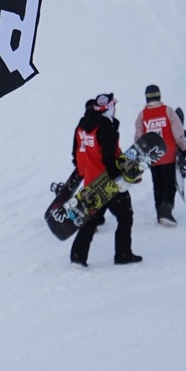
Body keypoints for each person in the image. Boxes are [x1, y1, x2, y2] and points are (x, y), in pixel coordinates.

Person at [69, 93, 141, 266]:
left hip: (91, 182)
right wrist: (122, 177)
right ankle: (123, 254)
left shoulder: (81, 127)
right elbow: (109, 158)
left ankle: (78, 256)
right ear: (108, 108)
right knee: (125, 216)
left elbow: (75, 153)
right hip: (108, 182)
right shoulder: (106, 127)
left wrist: (85, 170)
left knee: (91, 220)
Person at [134, 84, 186, 226]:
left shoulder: (142, 115)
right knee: (169, 183)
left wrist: (140, 155)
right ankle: (166, 210)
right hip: (168, 153)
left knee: (157, 184)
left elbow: (139, 137)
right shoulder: (168, 111)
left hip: (152, 156)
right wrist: (183, 148)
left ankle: (159, 211)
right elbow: (178, 133)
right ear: (159, 95)